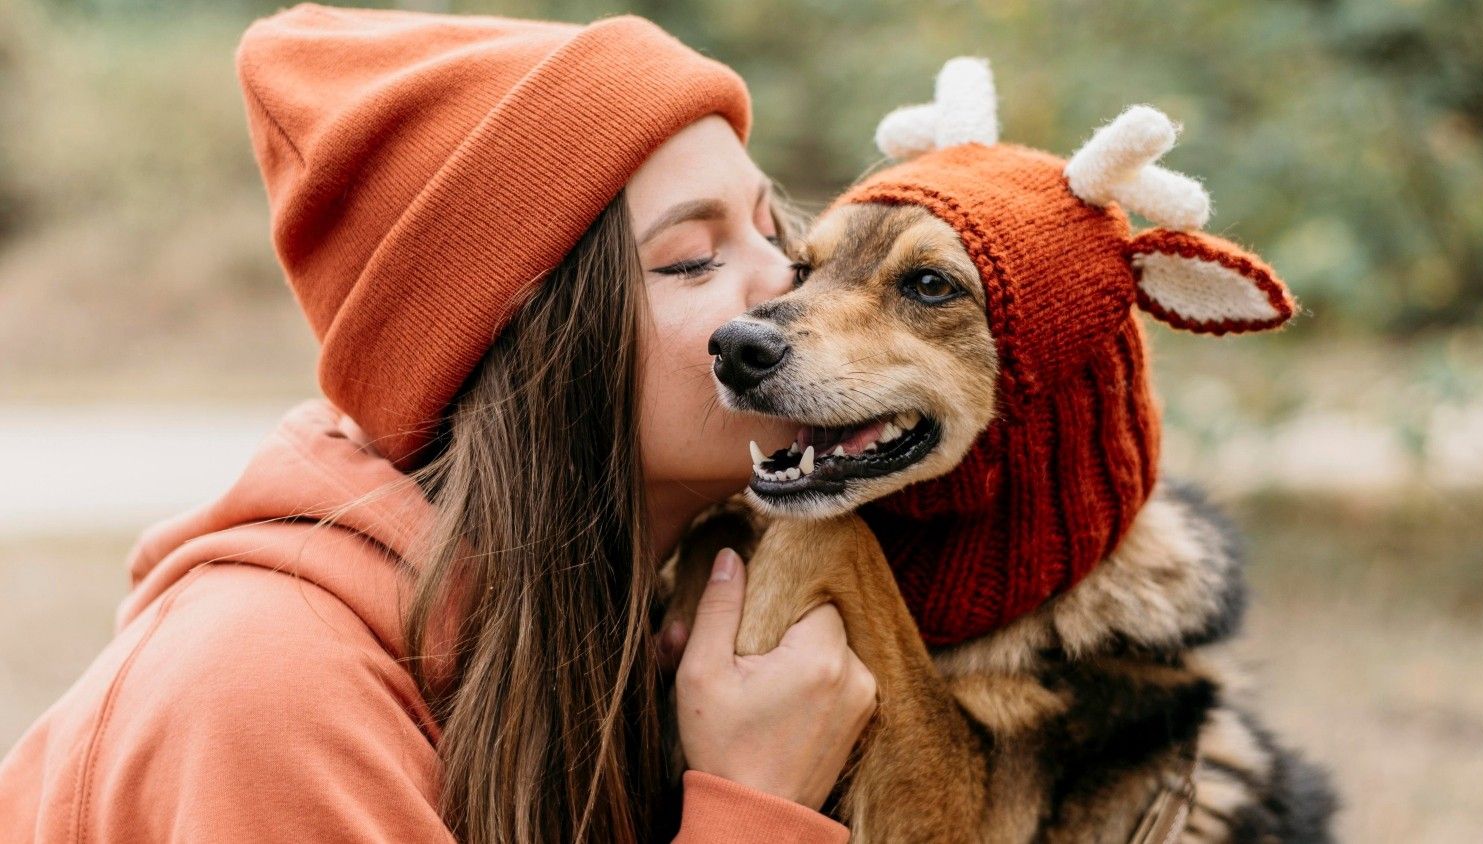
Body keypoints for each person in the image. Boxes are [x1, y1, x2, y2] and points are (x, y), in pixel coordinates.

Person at [0, 5, 875, 842]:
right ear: (523, 348)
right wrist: (756, 807)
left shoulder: (648, 642)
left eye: (777, 230)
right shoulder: (269, 695)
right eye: (691, 260)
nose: (794, 285)